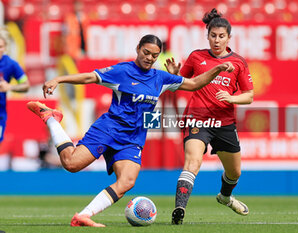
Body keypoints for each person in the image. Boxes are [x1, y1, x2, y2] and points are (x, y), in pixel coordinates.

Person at [27, 34, 234, 227]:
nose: (150, 58)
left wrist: (218, 69)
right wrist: (59, 79)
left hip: (133, 138)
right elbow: (90, 77)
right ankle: (52, 119)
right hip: (109, 129)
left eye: (154, 55)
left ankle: (84, 215)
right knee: (71, 164)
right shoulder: (122, 71)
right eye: (146, 53)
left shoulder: (161, 78)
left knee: (127, 181)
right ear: (138, 49)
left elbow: (195, 83)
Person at [166, 9, 254, 225]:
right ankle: (179, 208)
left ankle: (224, 197)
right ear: (207, 36)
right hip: (197, 118)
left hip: (224, 122)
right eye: (213, 35)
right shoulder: (197, 57)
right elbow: (180, 84)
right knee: (193, 162)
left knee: (234, 172)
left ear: (229, 38)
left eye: (221, 36)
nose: (217, 40)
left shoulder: (239, 63)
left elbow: (249, 96)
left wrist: (232, 99)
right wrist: (174, 75)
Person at [0, 28, 30, 146]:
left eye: (0, 46)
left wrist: (10, 87)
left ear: (5, 47)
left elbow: (26, 85)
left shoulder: (11, 64)